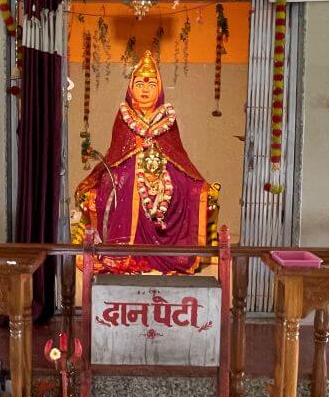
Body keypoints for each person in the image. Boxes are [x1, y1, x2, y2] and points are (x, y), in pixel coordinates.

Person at [72, 50, 219, 273]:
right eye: (140, 84)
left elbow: (176, 152)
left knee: (184, 186)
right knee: (122, 182)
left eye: (151, 85)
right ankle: (124, 250)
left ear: (159, 89)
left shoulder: (167, 117)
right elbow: (117, 151)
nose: (145, 90)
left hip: (163, 167)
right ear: (131, 88)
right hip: (128, 165)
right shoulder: (124, 115)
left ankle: (172, 251)